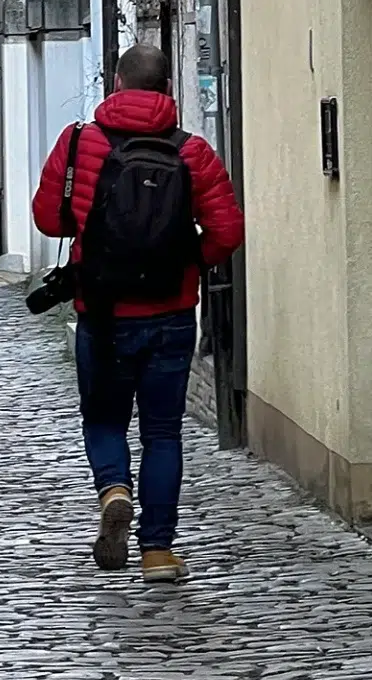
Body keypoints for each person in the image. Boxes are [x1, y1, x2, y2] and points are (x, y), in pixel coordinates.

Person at [32, 41, 245, 584]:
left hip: (102, 311)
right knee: (163, 433)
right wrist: (188, 262)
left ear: (116, 83)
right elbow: (227, 231)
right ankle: (157, 552)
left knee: (103, 419)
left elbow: (48, 219)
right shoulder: (192, 153)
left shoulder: (81, 144)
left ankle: (114, 489)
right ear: (166, 88)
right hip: (171, 313)